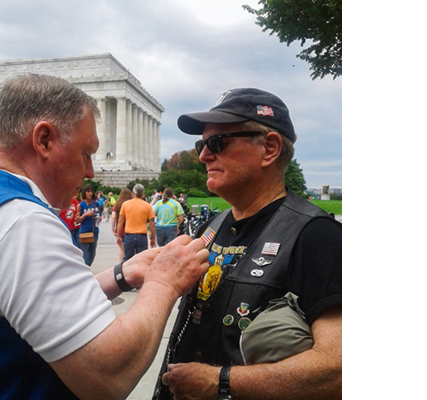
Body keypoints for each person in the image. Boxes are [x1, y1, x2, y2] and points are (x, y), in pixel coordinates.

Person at [0, 74, 211, 400]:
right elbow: (109, 373)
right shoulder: (23, 222)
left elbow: (29, 306)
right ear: (44, 140)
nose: (91, 173)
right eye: (86, 153)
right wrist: (164, 283)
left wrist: (121, 275)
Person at [154, 88, 342, 399]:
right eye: (202, 144)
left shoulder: (317, 236)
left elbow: (338, 368)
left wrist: (221, 382)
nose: (202, 155)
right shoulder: (210, 226)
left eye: (217, 142)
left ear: (269, 148)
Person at [116, 183, 156, 261]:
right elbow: (152, 224)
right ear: (142, 194)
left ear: (133, 193)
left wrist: (118, 236)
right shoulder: (147, 206)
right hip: (142, 236)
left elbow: (120, 221)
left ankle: (127, 273)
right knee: (142, 260)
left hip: (129, 236)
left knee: (128, 260)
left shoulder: (125, 204)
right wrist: (153, 238)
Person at [75, 185, 101, 266]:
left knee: (92, 254)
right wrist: (85, 214)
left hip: (94, 231)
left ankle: (86, 269)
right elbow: (77, 220)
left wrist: (99, 218)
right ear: (84, 193)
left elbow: (98, 215)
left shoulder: (96, 205)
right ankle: (86, 272)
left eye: (91, 191)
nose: (90, 193)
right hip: (84, 231)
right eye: (88, 191)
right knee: (85, 255)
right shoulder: (80, 205)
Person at [111, 188, 133, 262]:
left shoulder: (117, 204)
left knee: (121, 249)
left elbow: (113, 217)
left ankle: (122, 265)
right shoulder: (132, 203)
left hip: (121, 230)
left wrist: (113, 229)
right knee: (131, 250)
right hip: (131, 229)